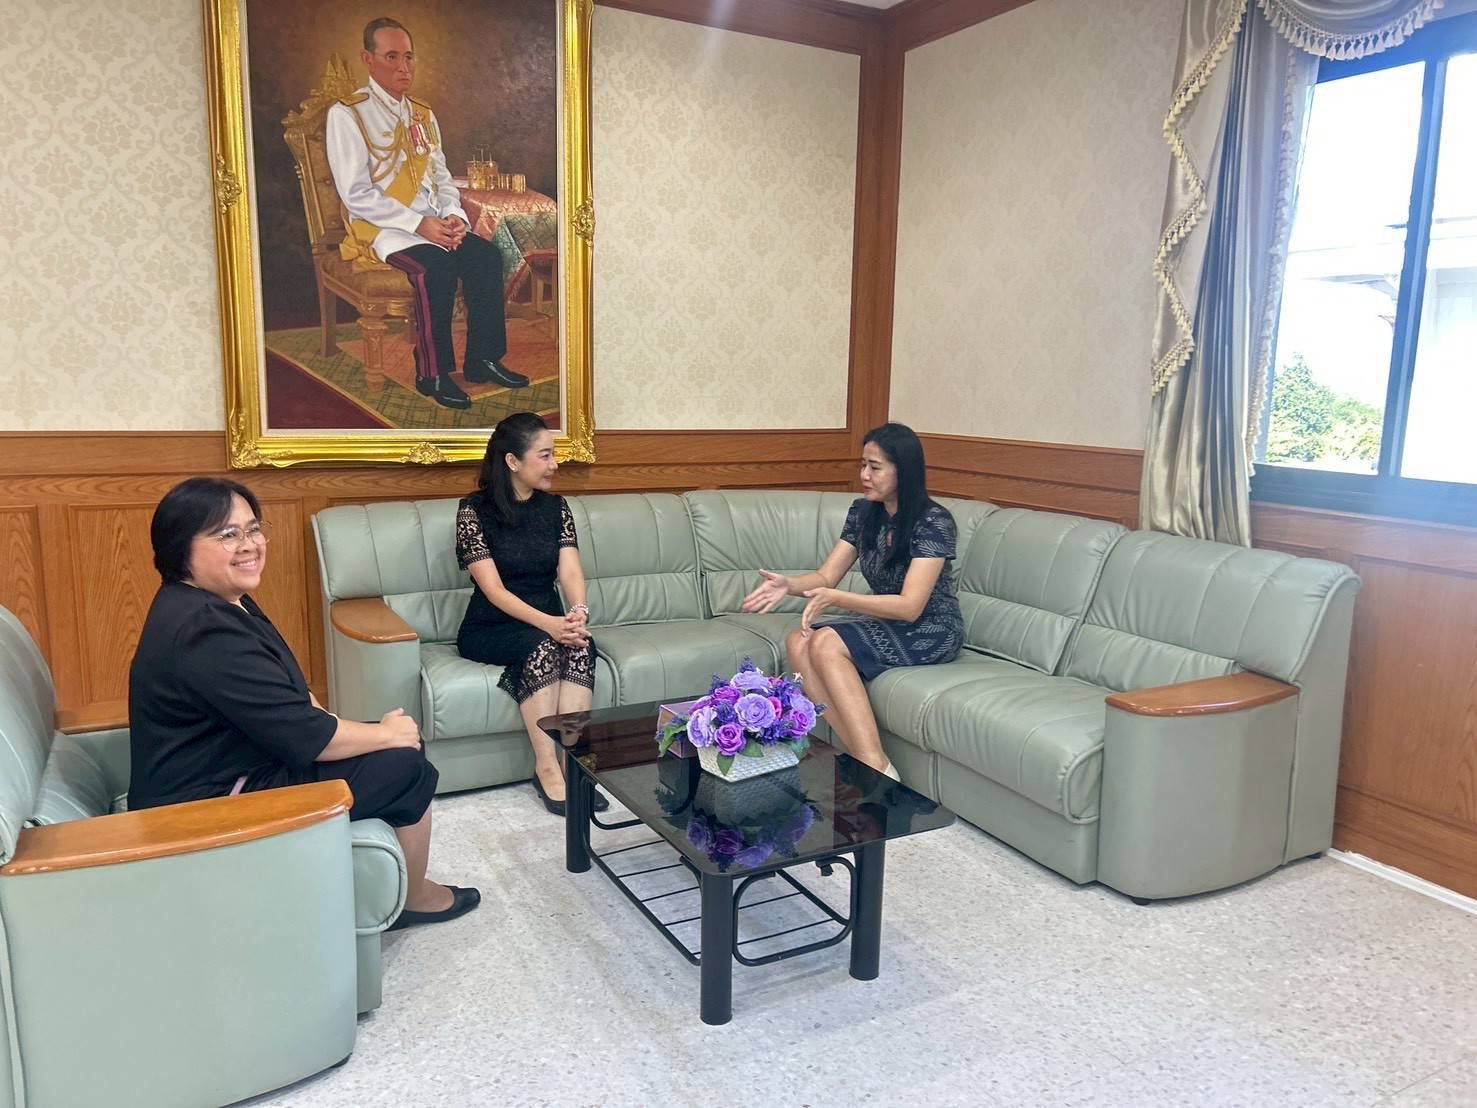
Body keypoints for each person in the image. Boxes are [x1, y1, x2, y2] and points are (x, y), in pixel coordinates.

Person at [128, 477, 479, 931]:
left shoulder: (221, 602)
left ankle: (387, 883)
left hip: (239, 766)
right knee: (405, 763)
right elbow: (308, 736)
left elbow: (291, 694)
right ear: (180, 547)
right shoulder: (202, 629)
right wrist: (385, 734)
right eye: (227, 534)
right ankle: (412, 898)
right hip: (202, 809)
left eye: (254, 529)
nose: (249, 545)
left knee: (395, 745)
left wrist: (374, 733)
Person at [325, 16, 529, 411]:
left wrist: (454, 217)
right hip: (384, 228)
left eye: (409, 57)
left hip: (435, 222)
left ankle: (483, 360)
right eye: (391, 57)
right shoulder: (347, 114)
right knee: (437, 268)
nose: (404, 67)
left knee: (487, 257)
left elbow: (442, 176)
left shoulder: (422, 113)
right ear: (368, 59)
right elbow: (355, 194)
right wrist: (418, 224)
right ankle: (432, 374)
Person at [741, 423, 963, 780]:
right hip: (890, 621)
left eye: (875, 467)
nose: (864, 475)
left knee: (826, 642)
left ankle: (873, 767)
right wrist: (789, 584)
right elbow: (826, 577)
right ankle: (870, 760)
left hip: (931, 628)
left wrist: (838, 598)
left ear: (903, 471)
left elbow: (910, 607)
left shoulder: (933, 521)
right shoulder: (863, 513)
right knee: (798, 640)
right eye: (862, 465)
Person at [455, 413, 606, 817]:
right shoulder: (473, 510)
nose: (555, 464)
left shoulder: (556, 507)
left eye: (553, 454)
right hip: (493, 625)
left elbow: (569, 571)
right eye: (545, 455)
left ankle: (571, 763)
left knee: (581, 646)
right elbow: (494, 590)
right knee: (543, 647)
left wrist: (576, 614)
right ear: (512, 461)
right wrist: (551, 626)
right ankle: (546, 768)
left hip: (550, 620)